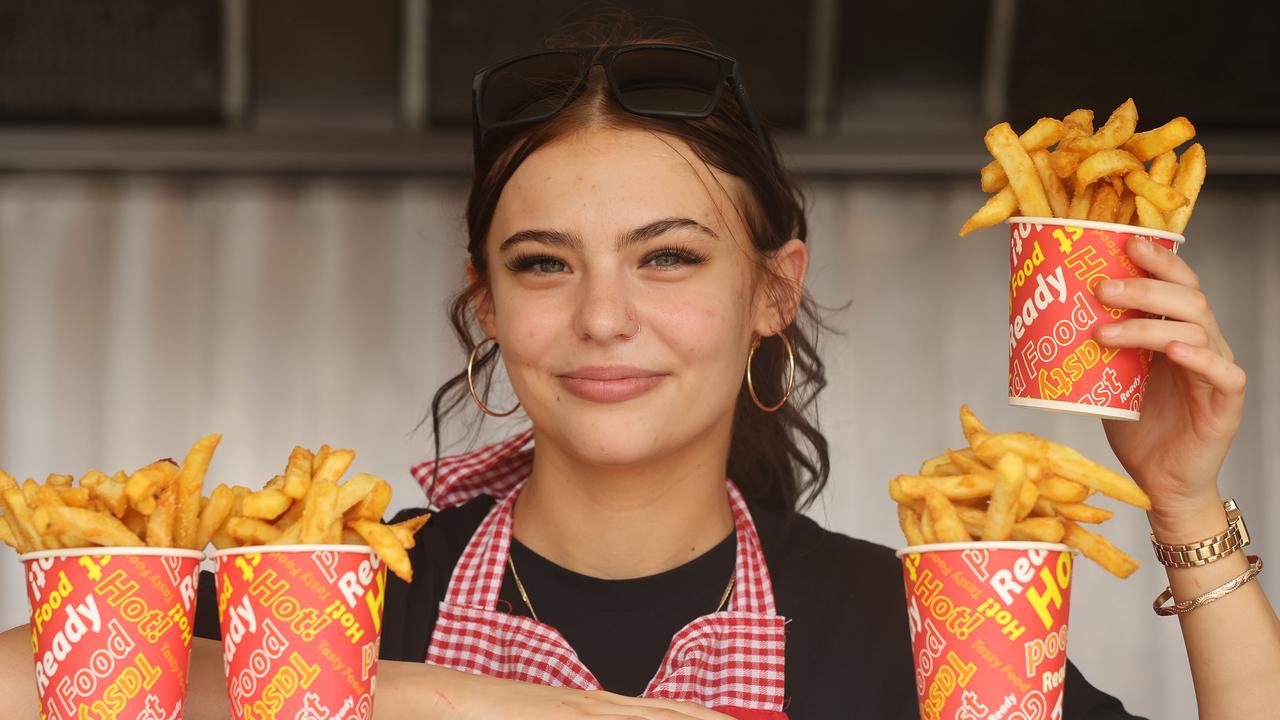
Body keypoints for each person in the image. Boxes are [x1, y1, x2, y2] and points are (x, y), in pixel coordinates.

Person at [3, 23, 1279, 720]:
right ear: (487, 307)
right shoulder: (327, 604)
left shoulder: (917, 633)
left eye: (667, 259)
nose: (603, 318)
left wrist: (1179, 501)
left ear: (770, 292)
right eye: (545, 265)